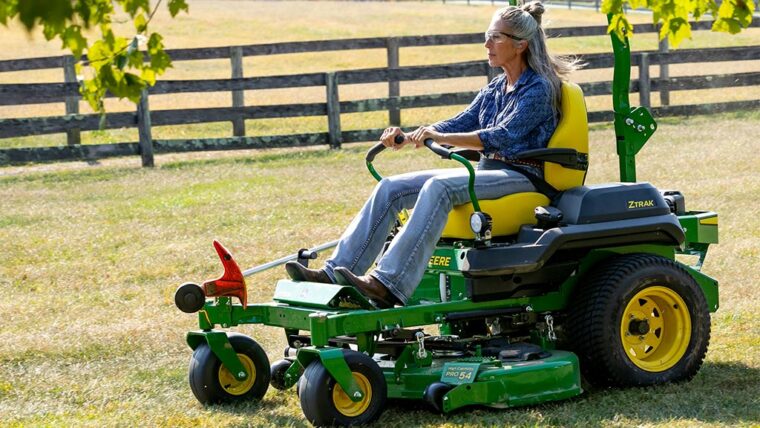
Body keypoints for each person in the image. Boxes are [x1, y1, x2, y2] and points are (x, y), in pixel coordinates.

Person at [286, 1, 579, 308]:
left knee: (438, 187)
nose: (486, 43)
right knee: (390, 188)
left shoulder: (540, 89)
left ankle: (388, 284)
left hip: (525, 176)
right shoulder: (495, 88)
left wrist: (438, 136)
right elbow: (460, 123)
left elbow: (503, 136)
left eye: (496, 37)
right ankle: (334, 275)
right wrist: (413, 134)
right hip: (490, 171)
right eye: (487, 35)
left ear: (520, 45)